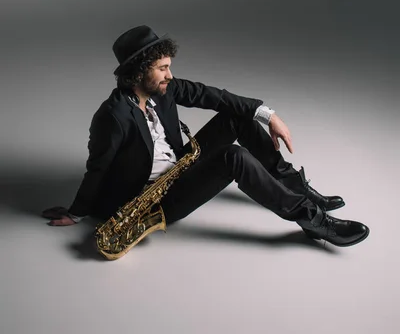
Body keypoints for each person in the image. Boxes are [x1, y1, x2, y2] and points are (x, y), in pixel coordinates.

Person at [42, 25, 369, 247]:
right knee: (234, 157)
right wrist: (77, 212)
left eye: (169, 66)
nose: (170, 74)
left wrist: (269, 115)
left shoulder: (163, 89)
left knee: (235, 118)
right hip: (158, 199)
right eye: (162, 68)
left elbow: (216, 97)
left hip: (178, 168)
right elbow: (97, 167)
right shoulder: (112, 116)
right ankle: (312, 221)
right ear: (138, 71)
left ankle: (298, 189)